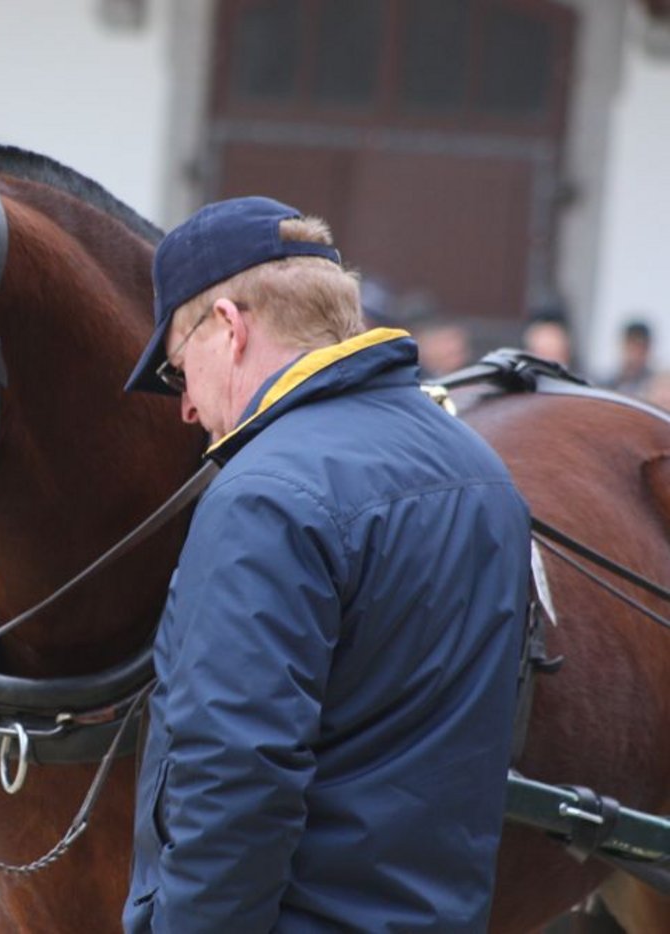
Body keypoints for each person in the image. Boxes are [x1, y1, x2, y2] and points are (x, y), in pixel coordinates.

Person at [121, 196, 531, 931]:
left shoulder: (264, 495)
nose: (184, 406)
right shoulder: (481, 469)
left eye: (177, 368)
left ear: (228, 326)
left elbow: (236, 780)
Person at [605, 319, 655, 399]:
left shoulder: (655, 386)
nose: (635, 354)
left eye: (640, 348)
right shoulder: (606, 384)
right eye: (632, 347)